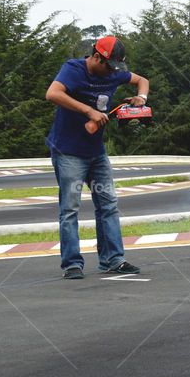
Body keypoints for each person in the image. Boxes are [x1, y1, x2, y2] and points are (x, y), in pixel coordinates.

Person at [45, 36, 149, 279]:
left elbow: (142, 80)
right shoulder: (73, 69)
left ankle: (113, 260)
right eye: (109, 65)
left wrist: (140, 98)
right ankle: (72, 264)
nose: (113, 72)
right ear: (96, 57)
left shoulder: (113, 73)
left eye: (116, 67)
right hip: (67, 151)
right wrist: (88, 110)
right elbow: (52, 93)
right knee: (70, 208)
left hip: (96, 152)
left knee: (108, 205)